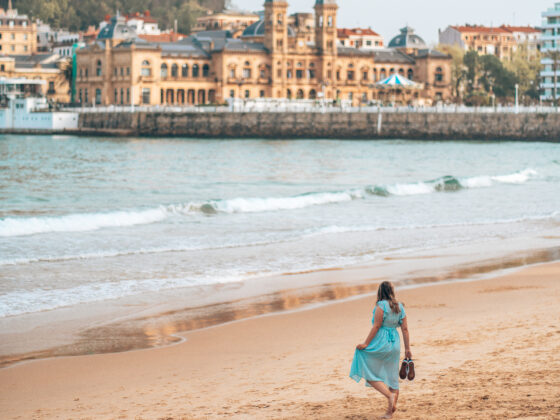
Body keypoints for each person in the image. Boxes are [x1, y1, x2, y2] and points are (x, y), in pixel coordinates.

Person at [349, 281, 412, 419]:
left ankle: (389, 396)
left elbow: (376, 326)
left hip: (381, 343)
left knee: (368, 371)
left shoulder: (381, 306)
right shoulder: (400, 307)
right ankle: (389, 413)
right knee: (392, 378)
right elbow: (405, 329)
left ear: (380, 292)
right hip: (395, 343)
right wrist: (407, 349)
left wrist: (365, 343)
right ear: (392, 291)